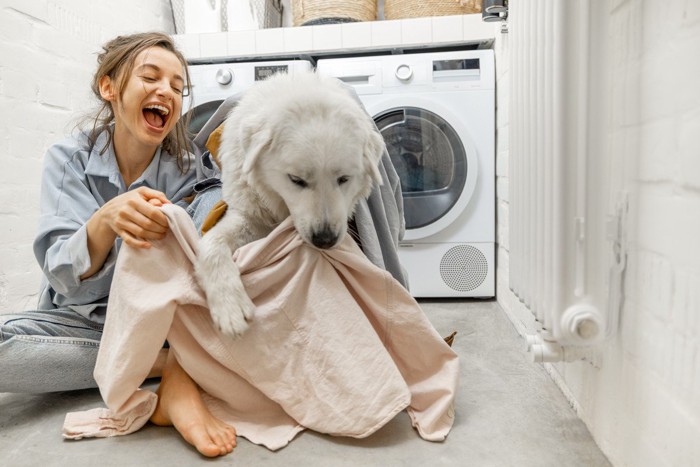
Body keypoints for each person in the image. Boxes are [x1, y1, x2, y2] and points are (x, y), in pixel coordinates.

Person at [0, 32, 235, 457]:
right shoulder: (69, 159)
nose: (167, 91)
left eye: (178, 87)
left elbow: (195, 274)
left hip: (158, 324)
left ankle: (170, 369)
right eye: (151, 77)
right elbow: (64, 279)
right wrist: (106, 220)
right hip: (84, 322)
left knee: (217, 195)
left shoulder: (189, 172)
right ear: (109, 87)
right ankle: (165, 365)